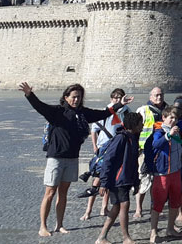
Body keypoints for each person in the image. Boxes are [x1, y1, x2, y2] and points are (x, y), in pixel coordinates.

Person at [20, 82, 131, 238]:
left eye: (79, 97)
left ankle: (59, 225)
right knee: (50, 193)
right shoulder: (57, 112)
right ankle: (43, 227)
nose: (76, 99)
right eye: (73, 97)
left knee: (63, 193)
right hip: (56, 158)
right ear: (66, 97)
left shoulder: (83, 113)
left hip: (72, 158)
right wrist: (29, 95)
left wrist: (120, 104)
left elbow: (103, 113)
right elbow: (40, 107)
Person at [144, 100, 182, 242]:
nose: (173, 120)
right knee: (157, 204)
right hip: (162, 174)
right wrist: (168, 135)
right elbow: (155, 144)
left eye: (175, 118)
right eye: (171, 117)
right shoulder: (158, 131)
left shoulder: (177, 128)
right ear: (164, 118)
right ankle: (153, 232)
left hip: (176, 172)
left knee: (175, 202)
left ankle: (170, 228)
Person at [95, 111, 143, 244]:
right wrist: (104, 182)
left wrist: (136, 181)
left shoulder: (133, 137)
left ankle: (102, 237)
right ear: (134, 124)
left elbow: (133, 162)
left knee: (116, 207)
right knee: (124, 205)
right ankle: (126, 238)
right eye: (140, 123)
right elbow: (108, 160)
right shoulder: (121, 138)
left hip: (125, 178)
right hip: (117, 179)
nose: (143, 125)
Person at [81, 88, 127, 220]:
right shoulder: (105, 112)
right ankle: (88, 210)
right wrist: (95, 147)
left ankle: (104, 208)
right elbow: (94, 130)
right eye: (115, 98)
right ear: (111, 99)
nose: (117, 100)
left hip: (118, 149)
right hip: (103, 148)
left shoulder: (126, 112)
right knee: (97, 179)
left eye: (119, 98)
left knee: (110, 179)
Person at [135, 87, 166, 219]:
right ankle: (138, 209)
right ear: (150, 97)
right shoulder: (143, 110)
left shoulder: (167, 110)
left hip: (161, 149)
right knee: (143, 178)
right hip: (144, 150)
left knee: (157, 180)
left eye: (161, 95)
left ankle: (155, 207)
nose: (159, 97)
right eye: (156, 95)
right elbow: (136, 128)